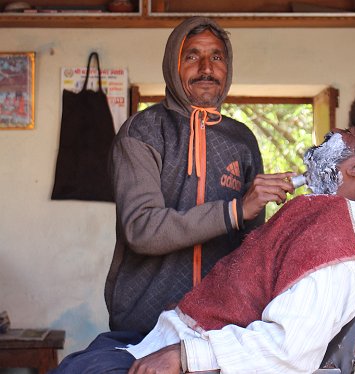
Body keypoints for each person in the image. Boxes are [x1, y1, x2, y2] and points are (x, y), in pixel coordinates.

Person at [53, 117, 355, 373]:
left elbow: (290, 350)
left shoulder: (339, 238)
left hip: (180, 355)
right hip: (159, 340)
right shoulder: (322, 217)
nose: (333, 132)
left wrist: (184, 355)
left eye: (348, 133)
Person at [51, 16, 296, 373]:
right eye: (192, 56)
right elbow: (142, 230)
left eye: (216, 57)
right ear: (173, 64)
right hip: (143, 327)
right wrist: (234, 209)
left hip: (216, 330)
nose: (206, 68)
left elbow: (250, 249)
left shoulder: (242, 141)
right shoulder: (144, 131)